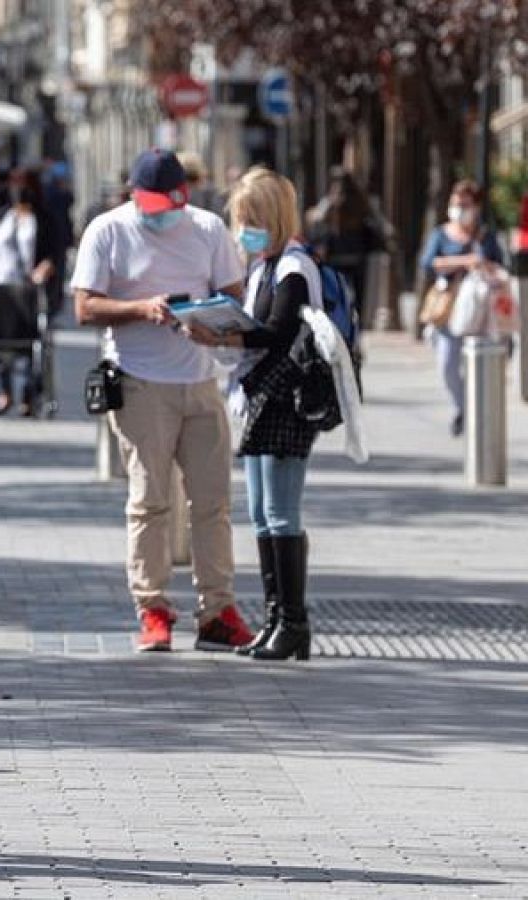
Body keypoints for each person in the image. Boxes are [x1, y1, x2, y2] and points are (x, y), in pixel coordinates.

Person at [71, 148, 255, 653]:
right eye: (145, 203)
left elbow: (234, 295)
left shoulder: (207, 229)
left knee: (213, 502)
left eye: (164, 205)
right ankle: (152, 608)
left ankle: (217, 609)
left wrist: (210, 320)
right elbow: (85, 306)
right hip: (139, 380)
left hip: (199, 379)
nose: (155, 215)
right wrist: (141, 308)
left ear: (184, 196)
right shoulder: (108, 231)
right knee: (150, 501)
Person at [187, 168, 321, 662]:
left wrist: (220, 335)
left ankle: (294, 622)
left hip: (286, 400)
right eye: (240, 220)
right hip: (260, 396)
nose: (243, 230)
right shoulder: (265, 266)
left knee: (282, 513)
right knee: (263, 515)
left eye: (250, 219)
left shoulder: (294, 268)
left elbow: (278, 333)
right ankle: (274, 618)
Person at [420, 179, 505, 437]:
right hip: (448, 308)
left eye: (465, 204)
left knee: (478, 362)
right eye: (455, 204)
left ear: (476, 207)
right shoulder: (440, 234)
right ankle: (464, 406)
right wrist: (463, 261)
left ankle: (474, 410)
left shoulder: (485, 236)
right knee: (447, 365)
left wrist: (483, 265)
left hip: (479, 310)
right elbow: (428, 263)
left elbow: (500, 267)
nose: (459, 209)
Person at [0, 167, 66, 417]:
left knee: (33, 340)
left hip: (30, 289)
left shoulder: (44, 218)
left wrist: (45, 268)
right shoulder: (2, 216)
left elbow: (55, 252)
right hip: (1, 287)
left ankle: (30, 394)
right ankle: (5, 391)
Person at [306, 168, 385, 330]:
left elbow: (315, 221)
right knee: (358, 298)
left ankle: (340, 327)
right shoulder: (361, 201)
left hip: (336, 257)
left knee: (335, 295)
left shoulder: (330, 202)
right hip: (357, 256)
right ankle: (357, 331)